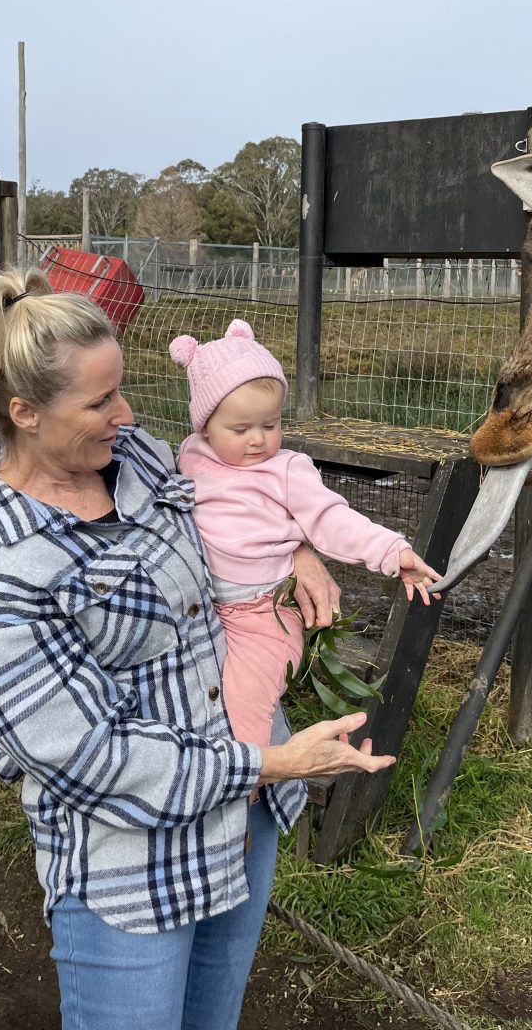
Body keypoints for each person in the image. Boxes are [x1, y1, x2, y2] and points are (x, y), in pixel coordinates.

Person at [0, 266, 396, 1030]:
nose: (127, 412)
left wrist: (297, 554)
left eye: (122, 388)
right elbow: (87, 756)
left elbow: (235, 506)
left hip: (240, 819)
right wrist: (278, 763)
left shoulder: (141, 461)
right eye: (99, 401)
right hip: (134, 870)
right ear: (24, 412)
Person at [169, 319, 443, 748]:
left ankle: (252, 784)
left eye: (270, 424)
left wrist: (392, 552)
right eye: (240, 430)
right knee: (194, 698)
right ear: (204, 425)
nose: (258, 440)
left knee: (245, 704)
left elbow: (332, 518)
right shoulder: (190, 455)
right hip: (202, 605)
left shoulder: (285, 469)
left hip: (264, 612)